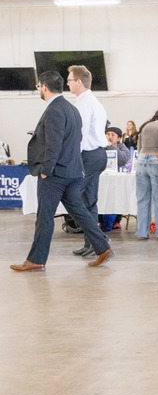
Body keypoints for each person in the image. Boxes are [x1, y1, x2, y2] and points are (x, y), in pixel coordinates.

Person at [11, 71, 115, 272]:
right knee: (80, 212)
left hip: (56, 173)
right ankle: (103, 248)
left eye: (38, 87)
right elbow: (74, 140)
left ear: (44, 87)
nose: (39, 90)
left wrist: (46, 170)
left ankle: (36, 260)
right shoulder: (71, 109)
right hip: (73, 171)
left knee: (45, 216)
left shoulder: (54, 110)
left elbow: (54, 144)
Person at [66, 65, 109, 258]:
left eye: (69, 80)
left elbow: (79, 133)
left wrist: (70, 157)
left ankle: (99, 241)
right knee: (88, 201)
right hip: (97, 155)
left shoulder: (83, 103)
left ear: (79, 82)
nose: (67, 83)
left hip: (88, 156)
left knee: (73, 197)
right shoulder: (93, 101)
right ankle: (92, 243)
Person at [136, 111, 158, 240]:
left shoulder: (145, 126)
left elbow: (139, 147)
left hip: (141, 160)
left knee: (142, 199)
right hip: (157, 158)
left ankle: (141, 232)